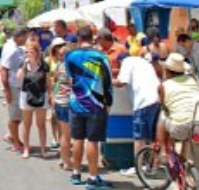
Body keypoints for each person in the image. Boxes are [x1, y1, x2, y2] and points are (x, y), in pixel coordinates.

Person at [157, 53, 199, 190]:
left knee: (164, 116)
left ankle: (164, 151)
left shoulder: (163, 86)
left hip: (182, 127)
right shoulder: (192, 79)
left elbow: (164, 107)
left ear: (167, 70)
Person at [65, 26, 114, 188]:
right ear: (92, 38)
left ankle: (76, 173)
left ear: (79, 39)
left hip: (76, 103)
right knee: (92, 141)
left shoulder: (70, 56)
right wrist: (109, 102)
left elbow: (69, 78)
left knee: (77, 139)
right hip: (95, 104)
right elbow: (108, 83)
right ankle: (93, 178)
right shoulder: (100, 57)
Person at [113, 52, 161, 177]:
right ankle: (153, 166)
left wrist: (109, 81)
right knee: (153, 137)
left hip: (143, 102)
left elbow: (121, 82)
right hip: (157, 100)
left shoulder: (127, 62)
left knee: (139, 138)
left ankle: (138, 168)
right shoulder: (143, 62)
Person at [17, 42, 52, 159]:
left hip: (41, 96)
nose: (28, 54)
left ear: (37, 52)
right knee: (27, 124)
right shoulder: (23, 64)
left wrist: (50, 94)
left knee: (41, 124)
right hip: (26, 95)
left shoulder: (44, 65)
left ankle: (43, 149)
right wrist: (24, 66)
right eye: (26, 52)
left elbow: (48, 82)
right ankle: (26, 148)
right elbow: (19, 79)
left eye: (31, 51)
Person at [0, 28, 28, 152]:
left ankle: (11, 135)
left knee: (19, 114)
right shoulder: (11, 50)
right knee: (14, 116)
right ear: (19, 37)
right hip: (13, 85)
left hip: (18, 85)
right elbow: (4, 70)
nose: (26, 40)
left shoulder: (15, 46)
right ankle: (15, 142)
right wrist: (7, 91)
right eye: (25, 38)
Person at [50, 38, 73, 170]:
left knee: (63, 133)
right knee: (67, 135)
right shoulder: (70, 68)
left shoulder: (59, 66)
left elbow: (55, 81)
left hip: (59, 101)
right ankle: (67, 162)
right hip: (67, 102)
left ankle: (63, 159)